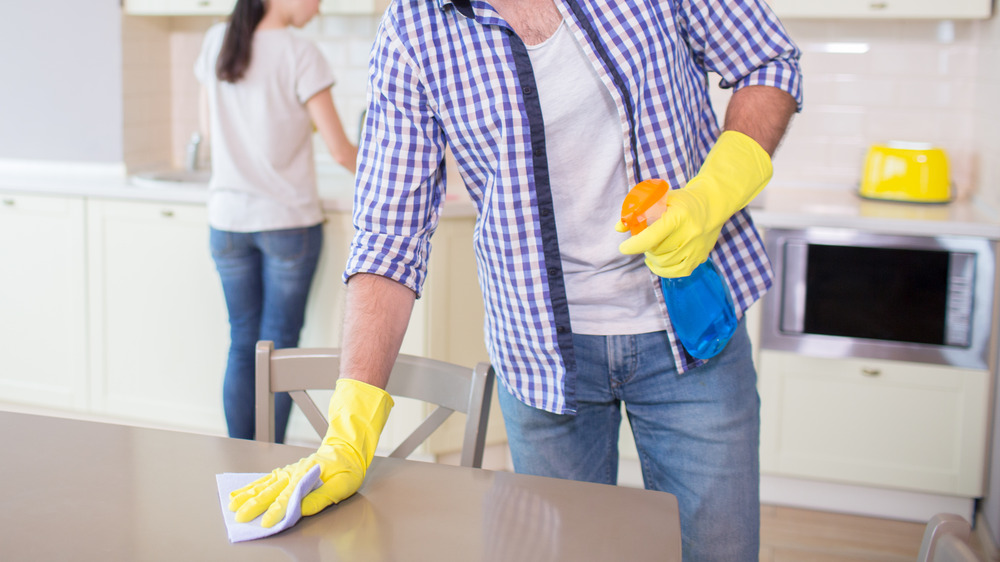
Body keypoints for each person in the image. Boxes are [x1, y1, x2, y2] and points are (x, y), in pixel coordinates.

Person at [227, 1, 801, 559]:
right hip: (541, 358)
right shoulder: (414, 29)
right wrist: (348, 427)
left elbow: (767, 62)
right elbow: (388, 235)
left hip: (690, 333)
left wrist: (712, 196)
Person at [194, 0, 357, 442]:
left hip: (228, 222)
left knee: (243, 342)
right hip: (287, 223)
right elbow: (342, 151)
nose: (319, 4)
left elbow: (209, 134)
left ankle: (240, 458)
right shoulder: (300, 52)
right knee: (279, 348)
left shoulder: (215, 41)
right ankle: (270, 457)